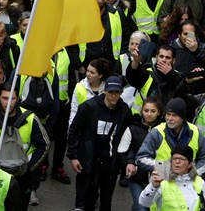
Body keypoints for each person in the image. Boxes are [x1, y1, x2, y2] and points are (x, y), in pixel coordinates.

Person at [0, 81, 50, 209]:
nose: (8, 102)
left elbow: (45, 144)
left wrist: (30, 168)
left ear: (18, 98)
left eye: (12, 98)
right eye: (5, 98)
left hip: (22, 177)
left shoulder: (30, 119)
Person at [67, 76, 136, 211]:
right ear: (104, 91)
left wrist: (126, 162)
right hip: (90, 160)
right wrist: (73, 156)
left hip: (111, 163)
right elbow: (74, 131)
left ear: (121, 92)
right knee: (89, 197)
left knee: (106, 198)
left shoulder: (125, 112)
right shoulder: (88, 107)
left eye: (117, 92)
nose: (114, 95)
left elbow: (128, 138)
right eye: (111, 92)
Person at [117, 96, 162, 211]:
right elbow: (121, 151)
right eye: (146, 110)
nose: (149, 114)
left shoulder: (164, 130)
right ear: (141, 111)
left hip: (158, 178)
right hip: (137, 178)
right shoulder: (132, 128)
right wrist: (129, 165)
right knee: (141, 208)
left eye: (153, 111)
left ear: (159, 112)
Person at [138, 144, 202, 211]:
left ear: (190, 164)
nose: (177, 162)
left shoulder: (200, 182)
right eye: (175, 158)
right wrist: (153, 187)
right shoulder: (162, 181)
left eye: (181, 159)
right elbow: (143, 203)